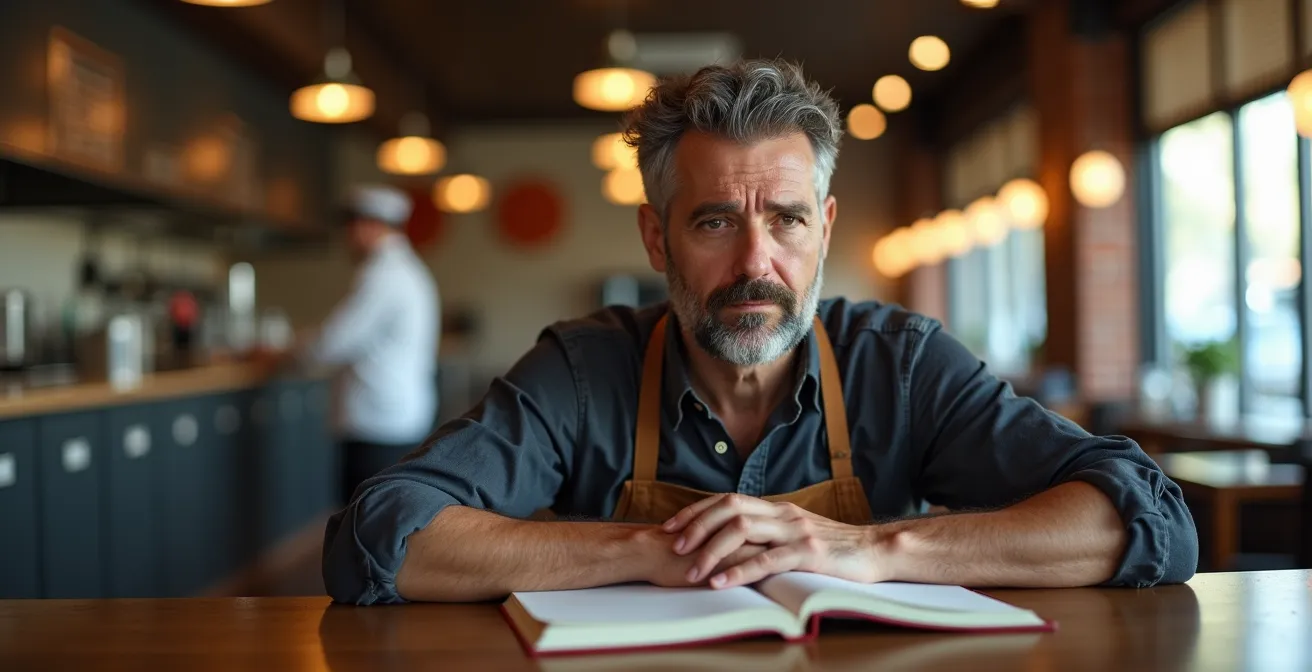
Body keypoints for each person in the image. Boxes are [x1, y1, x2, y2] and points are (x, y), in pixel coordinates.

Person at [321, 60, 1197, 605]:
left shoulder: (901, 364)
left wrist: (874, 548)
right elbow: (382, 534)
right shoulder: (585, 369)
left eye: (784, 220)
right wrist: (651, 550)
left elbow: (1148, 520)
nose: (755, 263)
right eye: (712, 224)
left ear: (822, 227)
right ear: (656, 236)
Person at [292, 184, 440, 507]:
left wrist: (289, 351)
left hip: (377, 422)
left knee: (363, 528)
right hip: (394, 417)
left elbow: (333, 342)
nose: (348, 239)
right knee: (383, 524)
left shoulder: (384, 274)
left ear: (369, 226)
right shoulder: (407, 270)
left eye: (350, 228)